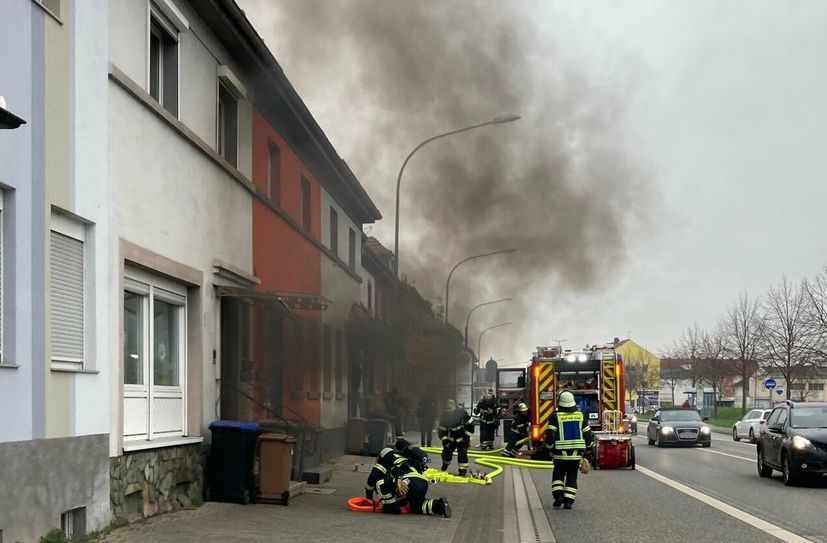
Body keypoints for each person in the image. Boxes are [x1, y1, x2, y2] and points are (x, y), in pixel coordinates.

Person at [364, 438, 451, 517]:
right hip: (423, 483)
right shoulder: (407, 457)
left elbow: (373, 477)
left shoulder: (388, 457)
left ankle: (391, 506)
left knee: (379, 483)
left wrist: (369, 496)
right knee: (417, 506)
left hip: (408, 481)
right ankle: (439, 505)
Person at [545, 391, 593, 509]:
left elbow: (550, 435)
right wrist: (588, 449)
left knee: (558, 474)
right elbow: (587, 434)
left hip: (559, 454)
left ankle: (558, 497)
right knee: (572, 476)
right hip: (575, 455)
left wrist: (549, 448)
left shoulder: (555, 416)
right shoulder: (580, 416)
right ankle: (568, 501)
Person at [437, 399, 474, 476]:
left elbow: (470, 426)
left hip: (462, 438)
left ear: (455, 405)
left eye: (451, 404)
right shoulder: (444, 416)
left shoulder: (462, 413)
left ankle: (462, 470)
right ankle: (445, 464)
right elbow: (441, 429)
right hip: (450, 439)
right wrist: (444, 440)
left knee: (462, 454)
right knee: (446, 454)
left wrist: (466, 437)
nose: (449, 406)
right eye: (447, 404)